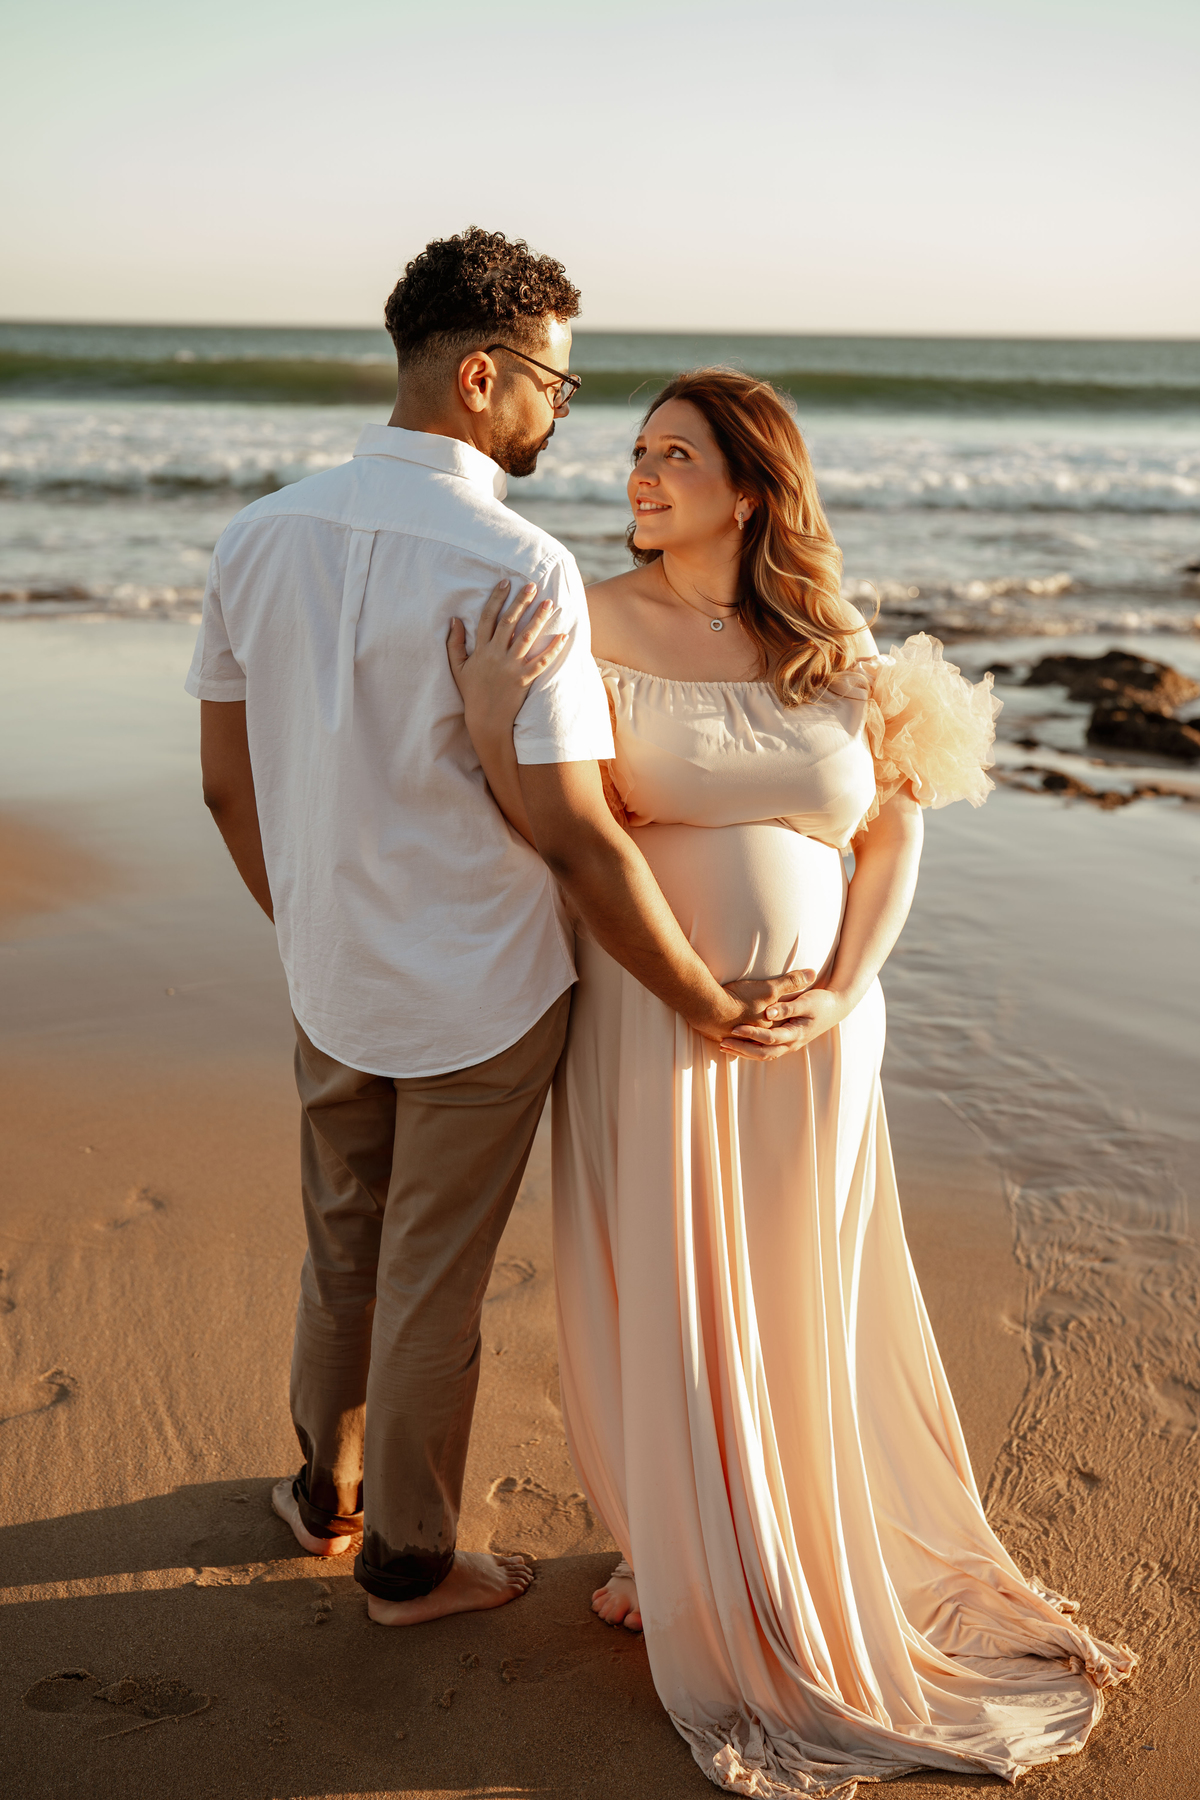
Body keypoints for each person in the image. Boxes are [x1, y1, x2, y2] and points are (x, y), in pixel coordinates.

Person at [451, 368, 1136, 1791]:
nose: (639, 475)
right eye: (635, 451)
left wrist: (846, 982)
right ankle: (698, 1551)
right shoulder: (584, 618)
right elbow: (560, 824)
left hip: (823, 1036)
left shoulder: (832, 640)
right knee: (682, 1280)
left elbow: (891, 838)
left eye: (674, 456)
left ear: (752, 487)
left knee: (795, 1281)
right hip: (660, 1020)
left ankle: (792, 1530)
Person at [187, 234, 796, 1627]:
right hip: (480, 988)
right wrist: (703, 994)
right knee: (430, 1278)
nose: (560, 417)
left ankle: (318, 1493)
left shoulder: (258, 532)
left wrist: (312, 928)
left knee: (344, 1236)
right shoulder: (518, 568)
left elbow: (228, 787)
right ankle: (407, 1559)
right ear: (481, 377)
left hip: (329, 968)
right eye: (555, 389)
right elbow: (577, 833)